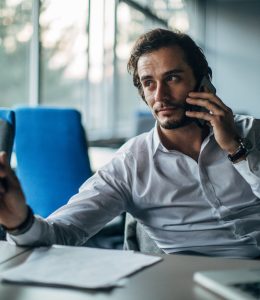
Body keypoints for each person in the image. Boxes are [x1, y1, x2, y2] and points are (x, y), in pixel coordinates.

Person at [0, 28, 260, 258]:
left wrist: (235, 150)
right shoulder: (131, 162)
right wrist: (20, 223)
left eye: (172, 78)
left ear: (204, 83)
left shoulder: (253, 131)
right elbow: (63, 233)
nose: (161, 96)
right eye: (149, 83)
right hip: (183, 285)